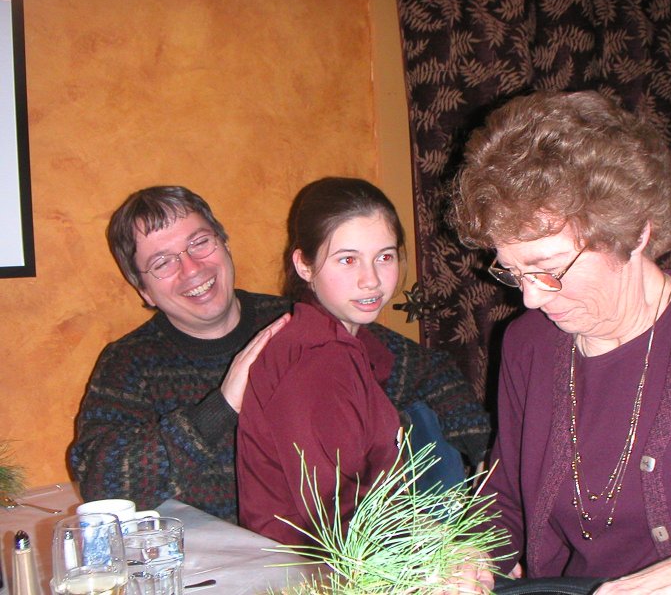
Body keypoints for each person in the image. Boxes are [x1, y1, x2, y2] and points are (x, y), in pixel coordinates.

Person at [448, 91, 671, 594]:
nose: (530, 297)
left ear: (635, 235)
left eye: (550, 269)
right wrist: (472, 550)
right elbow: (506, 497)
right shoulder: (528, 343)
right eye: (513, 271)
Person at [69, 185, 491, 524]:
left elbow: (429, 372)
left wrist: (489, 465)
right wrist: (221, 407)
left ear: (225, 244)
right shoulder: (131, 363)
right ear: (142, 289)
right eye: (163, 262)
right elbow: (101, 485)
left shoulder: (295, 324)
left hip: (314, 561)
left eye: (200, 243)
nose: (192, 268)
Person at [237, 177, 409, 543]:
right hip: (312, 567)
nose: (371, 280)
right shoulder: (318, 359)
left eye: (385, 257)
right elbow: (338, 519)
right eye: (348, 260)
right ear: (304, 265)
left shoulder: (343, 341)